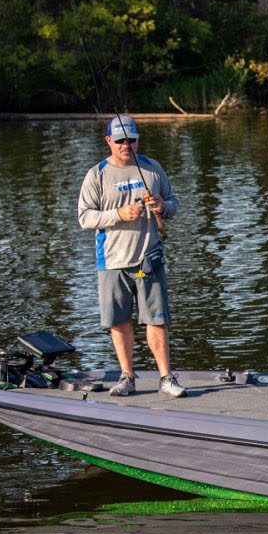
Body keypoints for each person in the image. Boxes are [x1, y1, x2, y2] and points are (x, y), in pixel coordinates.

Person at [77, 115, 185, 398]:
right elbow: (85, 217)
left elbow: (174, 204)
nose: (127, 145)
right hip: (112, 261)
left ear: (138, 140)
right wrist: (119, 215)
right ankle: (127, 376)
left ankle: (166, 378)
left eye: (132, 140)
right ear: (109, 141)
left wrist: (162, 205)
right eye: (121, 140)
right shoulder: (97, 174)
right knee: (119, 321)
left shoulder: (152, 169)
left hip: (149, 258)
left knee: (156, 320)